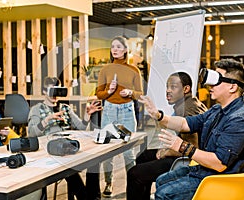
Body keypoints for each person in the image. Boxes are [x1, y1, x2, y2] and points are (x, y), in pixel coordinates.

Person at [140, 59, 244, 199]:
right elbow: (185, 124)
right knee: (161, 181)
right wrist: (158, 115)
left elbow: (219, 164)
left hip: (220, 179)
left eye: (217, 80)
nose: (210, 85)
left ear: (232, 87)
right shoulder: (216, 110)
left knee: (164, 193)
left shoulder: (239, 120)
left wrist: (182, 146)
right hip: (206, 170)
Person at [127, 72, 207, 200]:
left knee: (134, 173)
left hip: (189, 162)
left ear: (186, 89)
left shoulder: (187, 110)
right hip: (186, 155)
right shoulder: (191, 103)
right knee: (143, 156)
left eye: (173, 87)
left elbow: (191, 148)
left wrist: (166, 152)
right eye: (167, 87)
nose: (168, 91)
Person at [28, 77, 102, 200]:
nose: (55, 94)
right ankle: (84, 197)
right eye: (52, 90)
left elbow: (81, 127)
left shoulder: (65, 108)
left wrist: (87, 115)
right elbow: (31, 133)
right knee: (69, 167)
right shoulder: (37, 109)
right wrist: (47, 120)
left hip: (68, 145)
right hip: (49, 149)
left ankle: (93, 197)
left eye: (58, 90)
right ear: (44, 91)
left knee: (94, 160)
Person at [96, 36, 143, 197]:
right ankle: (108, 183)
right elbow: (98, 94)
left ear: (124, 50)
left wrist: (130, 92)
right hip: (109, 111)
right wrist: (109, 91)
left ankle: (133, 184)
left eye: (118, 47)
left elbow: (140, 94)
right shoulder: (105, 70)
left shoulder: (134, 70)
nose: (114, 49)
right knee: (106, 151)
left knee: (127, 152)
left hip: (127, 112)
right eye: (112, 47)